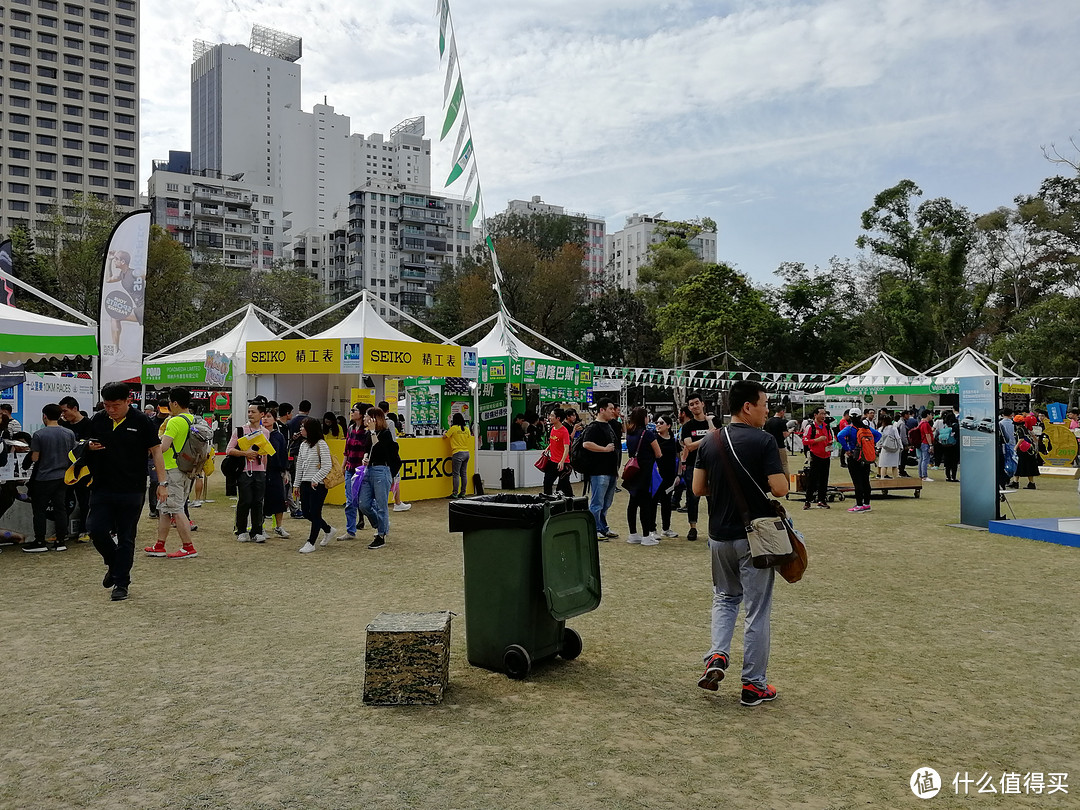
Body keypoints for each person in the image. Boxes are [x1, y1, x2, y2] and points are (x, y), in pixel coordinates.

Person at [693, 380, 788, 705]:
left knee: (724, 599)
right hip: (754, 540)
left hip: (719, 537)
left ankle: (717, 656)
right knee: (757, 611)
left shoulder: (710, 440)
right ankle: (753, 685)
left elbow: (697, 488)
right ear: (747, 406)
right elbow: (780, 489)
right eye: (763, 403)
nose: (766, 409)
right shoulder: (764, 441)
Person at [85, 381, 165, 602]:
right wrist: (88, 446)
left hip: (132, 489)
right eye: (107, 405)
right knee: (95, 529)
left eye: (116, 405)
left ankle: (121, 582)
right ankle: (114, 563)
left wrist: (162, 483)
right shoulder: (98, 419)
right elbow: (85, 443)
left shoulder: (141, 421)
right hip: (101, 486)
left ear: (128, 401)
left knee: (126, 536)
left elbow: (156, 452)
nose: (110, 410)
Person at [139, 388, 200, 559]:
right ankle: (160, 545)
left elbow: (163, 447)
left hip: (172, 468)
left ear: (174, 403)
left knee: (176, 508)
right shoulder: (194, 419)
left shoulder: (174, 421)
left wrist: (152, 443)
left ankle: (188, 547)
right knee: (164, 509)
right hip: (186, 467)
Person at [24, 404, 76, 552]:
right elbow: (72, 455)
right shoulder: (69, 433)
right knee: (61, 508)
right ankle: (60, 541)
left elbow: (35, 458)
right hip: (63, 476)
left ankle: (40, 541)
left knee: (39, 510)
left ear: (44, 416)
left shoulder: (39, 434)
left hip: (44, 477)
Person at [226, 402, 270, 543]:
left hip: (259, 471)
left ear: (261, 414)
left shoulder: (266, 432)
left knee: (258, 502)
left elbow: (265, 455)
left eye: (253, 412)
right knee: (245, 501)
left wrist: (264, 470)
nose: (250, 414)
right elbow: (229, 450)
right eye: (249, 411)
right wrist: (245, 453)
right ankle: (241, 530)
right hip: (244, 471)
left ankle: (257, 531)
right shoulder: (240, 430)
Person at [293, 417, 336, 553]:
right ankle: (328, 529)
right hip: (306, 483)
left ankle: (311, 542)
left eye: (303, 427)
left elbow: (327, 465)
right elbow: (299, 465)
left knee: (316, 512)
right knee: (306, 512)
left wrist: (316, 479)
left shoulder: (321, 444)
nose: (301, 429)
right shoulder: (303, 445)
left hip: (319, 484)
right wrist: (296, 484)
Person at [357, 407, 397, 550]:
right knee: (363, 504)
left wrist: (373, 432)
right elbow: (368, 450)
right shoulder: (367, 434)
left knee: (381, 505)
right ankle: (380, 524)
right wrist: (365, 458)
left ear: (375, 418)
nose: (364, 419)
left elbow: (380, 449)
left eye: (367, 416)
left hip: (381, 470)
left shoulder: (385, 434)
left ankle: (381, 535)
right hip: (368, 470)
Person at [581, 398, 620, 541]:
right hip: (599, 471)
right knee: (597, 502)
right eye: (610, 408)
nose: (613, 411)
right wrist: (604, 449)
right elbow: (586, 444)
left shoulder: (609, 426)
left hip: (610, 470)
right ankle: (595, 528)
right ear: (601, 410)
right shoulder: (593, 427)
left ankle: (603, 527)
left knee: (606, 502)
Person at [624, 407, 662, 545]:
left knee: (633, 502)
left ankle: (633, 533)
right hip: (645, 472)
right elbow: (658, 453)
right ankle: (646, 536)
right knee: (646, 504)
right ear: (643, 418)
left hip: (633, 471)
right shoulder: (647, 434)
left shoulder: (630, 433)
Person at [680, 393, 713, 542]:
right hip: (694, 465)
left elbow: (719, 436)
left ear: (702, 404)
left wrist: (711, 424)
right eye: (691, 404)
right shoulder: (688, 426)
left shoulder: (713, 421)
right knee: (693, 497)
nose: (694, 406)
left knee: (714, 498)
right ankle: (692, 528)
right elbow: (690, 446)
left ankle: (714, 528)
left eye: (696, 403)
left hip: (713, 464)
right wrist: (708, 437)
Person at [838, 409, 881, 512]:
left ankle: (859, 504)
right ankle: (867, 504)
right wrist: (869, 444)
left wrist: (847, 449)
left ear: (850, 417)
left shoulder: (850, 429)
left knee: (857, 482)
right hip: (865, 457)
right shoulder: (866, 428)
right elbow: (879, 435)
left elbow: (840, 436)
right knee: (866, 481)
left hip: (854, 457)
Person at [339, 403, 371, 540]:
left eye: (354, 410)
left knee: (366, 502)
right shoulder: (351, 428)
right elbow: (347, 449)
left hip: (362, 470)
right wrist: (343, 465)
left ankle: (379, 523)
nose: (351, 412)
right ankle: (350, 530)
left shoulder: (368, 431)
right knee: (350, 501)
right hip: (350, 469)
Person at [262, 409, 290, 538]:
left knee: (279, 499)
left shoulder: (278, 436)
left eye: (269, 417)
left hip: (275, 472)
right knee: (261, 500)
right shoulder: (259, 434)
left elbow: (283, 454)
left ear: (275, 419)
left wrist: (285, 471)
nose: (265, 419)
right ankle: (260, 526)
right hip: (261, 471)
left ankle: (279, 526)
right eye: (264, 417)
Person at [802, 407, 834, 509]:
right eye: (821, 414)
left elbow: (829, 438)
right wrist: (817, 440)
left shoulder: (827, 426)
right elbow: (805, 441)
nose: (823, 416)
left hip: (826, 455)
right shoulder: (810, 427)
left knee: (824, 479)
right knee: (812, 479)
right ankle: (808, 500)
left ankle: (822, 500)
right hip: (815, 455)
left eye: (824, 414)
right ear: (815, 415)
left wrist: (830, 442)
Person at [653, 414, 680, 537]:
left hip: (670, 476)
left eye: (661, 423)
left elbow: (679, 458)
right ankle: (652, 529)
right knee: (652, 502)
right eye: (657, 422)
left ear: (668, 426)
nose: (658, 425)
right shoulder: (653, 439)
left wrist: (679, 475)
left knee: (667, 502)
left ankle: (666, 528)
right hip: (656, 476)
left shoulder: (674, 441)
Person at [541, 408, 573, 497]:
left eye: (552, 416)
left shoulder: (564, 431)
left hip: (563, 463)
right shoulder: (552, 428)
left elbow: (566, 447)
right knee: (547, 482)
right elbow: (553, 442)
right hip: (552, 461)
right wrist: (547, 449)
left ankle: (571, 502)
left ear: (558, 418)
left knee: (564, 485)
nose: (549, 417)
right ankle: (547, 501)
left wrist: (562, 461)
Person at [444, 411, 473, 499]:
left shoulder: (454, 428)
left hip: (457, 453)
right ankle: (463, 492)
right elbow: (469, 437)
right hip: (466, 453)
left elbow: (445, 436)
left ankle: (455, 493)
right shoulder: (466, 429)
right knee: (463, 474)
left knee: (456, 474)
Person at [763, 405, 790, 477]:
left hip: (770, 446)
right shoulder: (782, 422)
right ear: (782, 412)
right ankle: (787, 483)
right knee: (784, 465)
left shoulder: (768, 421)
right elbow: (785, 435)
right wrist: (790, 431)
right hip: (780, 445)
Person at [936, 410, 960, 482]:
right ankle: (953, 477)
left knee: (947, 461)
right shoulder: (955, 425)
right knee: (954, 462)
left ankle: (948, 477)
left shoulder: (945, 425)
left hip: (945, 445)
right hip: (954, 446)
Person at [876, 412, 902, 480]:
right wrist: (901, 446)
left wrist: (878, 447)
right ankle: (895, 477)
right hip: (894, 448)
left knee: (883, 464)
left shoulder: (881, 429)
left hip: (885, 448)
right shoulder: (894, 428)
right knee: (894, 465)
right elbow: (898, 438)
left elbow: (879, 439)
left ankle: (882, 477)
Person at [917, 411, 934, 481]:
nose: (932, 416)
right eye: (931, 415)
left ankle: (921, 475)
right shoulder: (926, 424)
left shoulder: (920, 423)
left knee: (921, 459)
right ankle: (924, 476)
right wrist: (930, 445)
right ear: (927, 415)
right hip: (925, 443)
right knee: (925, 459)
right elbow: (928, 435)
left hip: (921, 443)